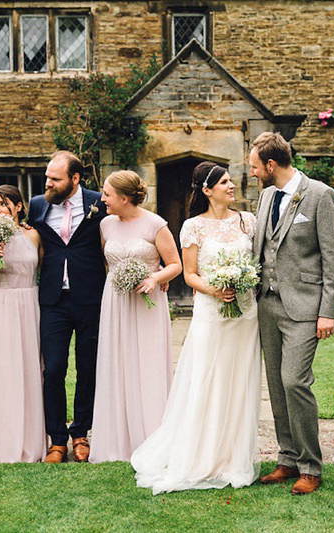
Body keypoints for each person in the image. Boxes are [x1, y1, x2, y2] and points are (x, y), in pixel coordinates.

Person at [131, 162, 261, 493]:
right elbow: (189, 274)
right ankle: (202, 456)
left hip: (245, 315)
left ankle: (233, 455)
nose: (232, 186)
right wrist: (216, 289)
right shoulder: (192, 227)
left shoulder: (248, 222)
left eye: (232, 181)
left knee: (239, 382)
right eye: (225, 182)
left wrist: (241, 284)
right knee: (206, 380)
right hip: (211, 314)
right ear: (207, 190)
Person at [250, 132, 334, 495]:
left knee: (294, 381)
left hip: (305, 306)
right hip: (267, 304)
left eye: (256, 166)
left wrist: (328, 312)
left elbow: (333, 256)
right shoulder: (266, 196)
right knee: (276, 385)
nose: (254, 172)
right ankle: (287, 460)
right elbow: (262, 248)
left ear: (272, 164)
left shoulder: (320, 195)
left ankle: (310, 465)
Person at [88, 170, 182, 463]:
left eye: (107, 194)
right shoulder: (105, 224)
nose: (102, 199)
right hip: (115, 301)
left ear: (124, 198)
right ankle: (117, 440)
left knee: (147, 363)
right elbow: (108, 261)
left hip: (147, 302)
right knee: (117, 363)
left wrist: (155, 278)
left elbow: (175, 264)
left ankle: (152, 436)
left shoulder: (156, 224)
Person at [27, 151, 106, 463]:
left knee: (87, 368)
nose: (48, 183)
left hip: (90, 298)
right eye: (47, 177)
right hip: (53, 301)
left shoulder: (98, 203)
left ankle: (81, 434)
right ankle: (56, 439)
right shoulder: (37, 205)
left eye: (55, 179)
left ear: (75, 179)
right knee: (54, 369)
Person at [0, 185, 47, 463]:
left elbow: (41, 269)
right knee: (3, 373)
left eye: (3, 204)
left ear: (18, 207)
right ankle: (2, 443)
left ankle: (30, 442)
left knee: (30, 370)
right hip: (0, 306)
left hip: (29, 304)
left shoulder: (33, 235)